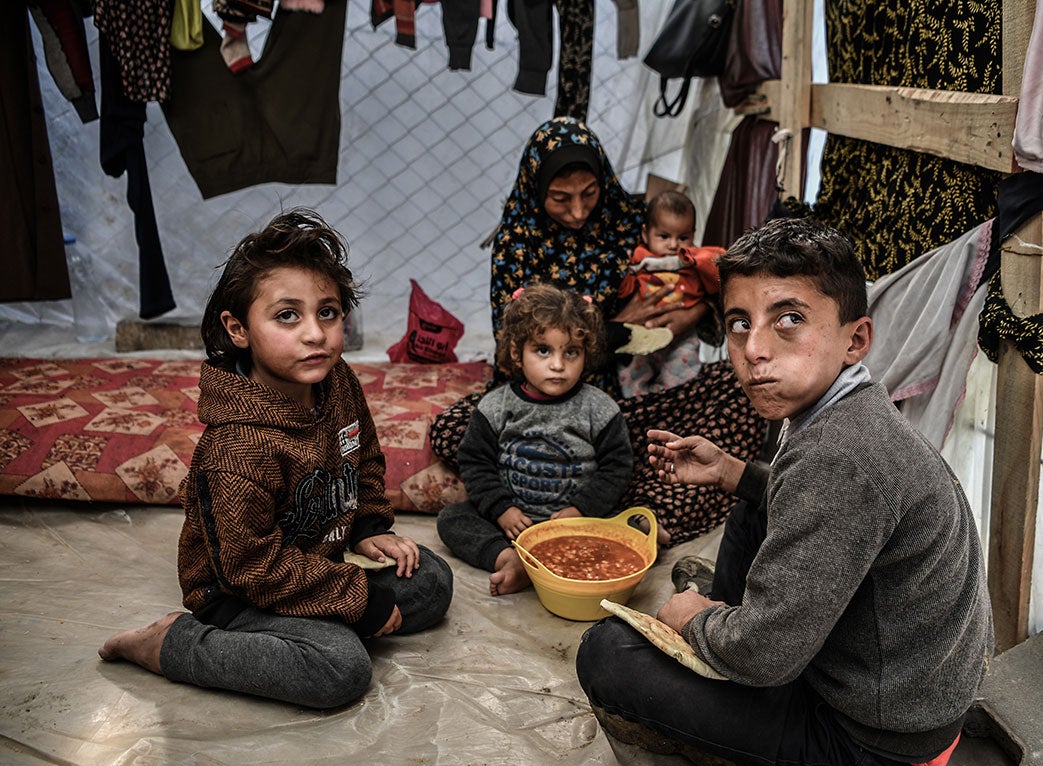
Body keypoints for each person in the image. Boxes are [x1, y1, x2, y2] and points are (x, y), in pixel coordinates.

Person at [575, 217, 994, 766]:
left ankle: (723, 629)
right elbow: (804, 503)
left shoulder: (841, 455)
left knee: (606, 654)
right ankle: (732, 620)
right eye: (740, 324)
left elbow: (767, 657)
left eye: (789, 320)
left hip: (875, 746)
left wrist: (690, 619)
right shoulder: (847, 414)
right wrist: (731, 471)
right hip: (896, 688)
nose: (754, 350)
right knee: (755, 498)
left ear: (856, 339)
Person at [98, 209, 454, 709]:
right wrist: (358, 597)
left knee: (432, 580)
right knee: (340, 669)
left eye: (327, 312)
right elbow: (249, 568)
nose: (315, 334)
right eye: (288, 315)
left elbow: (364, 455)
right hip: (238, 593)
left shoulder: (338, 382)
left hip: (314, 567)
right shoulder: (236, 448)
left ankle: (323, 624)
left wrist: (370, 526)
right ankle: (172, 644)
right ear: (238, 328)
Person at [431, 117, 766, 547]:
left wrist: (693, 313)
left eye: (589, 194)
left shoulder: (630, 221)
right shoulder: (518, 239)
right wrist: (615, 329)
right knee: (453, 429)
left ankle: (632, 505)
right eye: (559, 198)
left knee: (734, 393)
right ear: (536, 189)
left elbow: (697, 274)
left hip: (627, 401)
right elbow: (510, 345)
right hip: (539, 399)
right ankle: (615, 504)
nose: (578, 210)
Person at [437, 283, 633, 593]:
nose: (558, 365)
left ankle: (540, 564)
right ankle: (510, 560)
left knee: (627, 528)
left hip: (574, 525)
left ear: (586, 352)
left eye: (571, 352)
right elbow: (475, 462)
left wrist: (580, 511)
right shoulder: (496, 406)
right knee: (452, 519)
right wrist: (502, 510)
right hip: (515, 525)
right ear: (517, 351)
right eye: (543, 350)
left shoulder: (599, 408)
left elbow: (617, 467)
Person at [616, 189, 724, 397]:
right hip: (643, 333)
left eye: (683, 237)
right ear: (645, 233)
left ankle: (669, 403)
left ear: (693, 234)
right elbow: (626, 287)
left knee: (682, 374)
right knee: (631, 372)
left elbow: (716, 279)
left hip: (681, 335)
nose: (673, 245)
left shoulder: (694, 259)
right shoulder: (638, 259)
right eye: (664, 236)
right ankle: (642, 405)